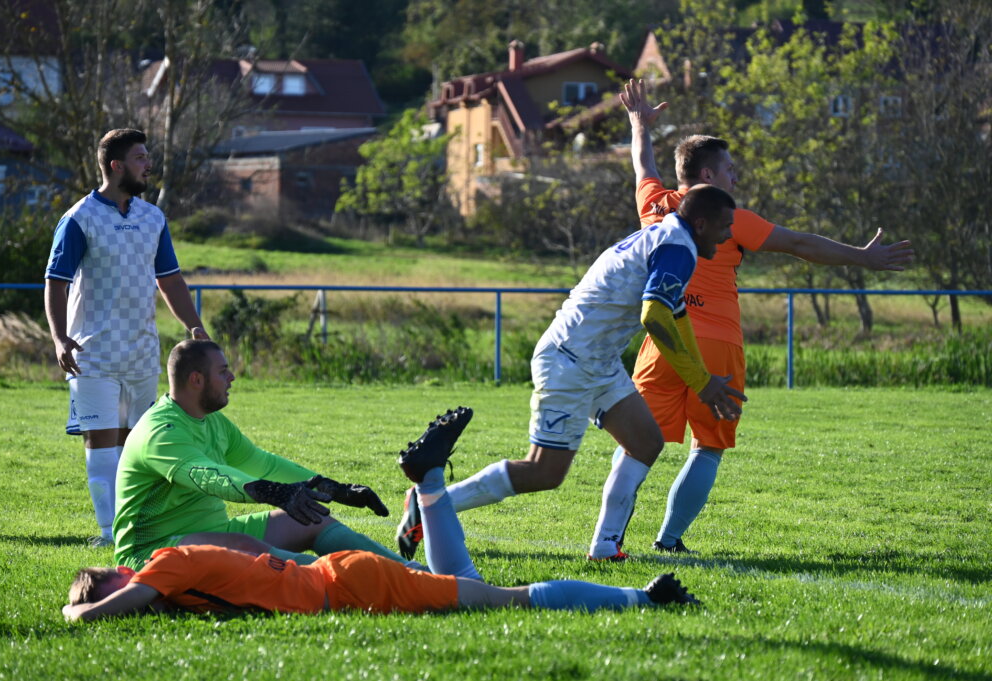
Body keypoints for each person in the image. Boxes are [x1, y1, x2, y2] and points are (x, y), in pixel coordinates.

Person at [620, 78, 915, 553]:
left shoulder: (654, 205)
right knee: (709, 447)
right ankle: (669, 541)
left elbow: (643, 164)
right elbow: (800, 244)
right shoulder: (730, 218)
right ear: (710, 177)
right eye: (730, 170)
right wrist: (863, 256)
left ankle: (608, 538)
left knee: (637, 445)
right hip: (717, 344)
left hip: (664, 342)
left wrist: (639, 124)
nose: (736, 179)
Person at [63, 409, 699, 622]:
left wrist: (78, 607)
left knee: (504, 599)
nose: (127, 583)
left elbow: (101, 610)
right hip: (344, 579)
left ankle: (640, 601)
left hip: (349, 582)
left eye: (116, 579)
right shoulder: (183, 586)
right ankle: (429, 483)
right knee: (472, 585)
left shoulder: (164, 569)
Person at [397, 185, 747, 562]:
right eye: (725, 226)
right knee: (544, 471)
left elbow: (675, 315)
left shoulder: (669, 236)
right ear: (701, 222)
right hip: (571, 360)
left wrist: (704, 380)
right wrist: (701, 381)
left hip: (596, 361)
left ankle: (605, 546)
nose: (729, 235)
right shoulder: (679, 247)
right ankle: (428, 502)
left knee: (646, 441)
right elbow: (655, 314)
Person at [44, 129, 209, 547]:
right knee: (102, 444)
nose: (148, 164)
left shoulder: (153, 218)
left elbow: (169, 280)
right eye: (140, 158)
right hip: (91, 353)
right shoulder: (79, 218)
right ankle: (108, 533)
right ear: (116, 166)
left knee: (138, 446)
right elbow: (56, 282)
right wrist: (61, 339)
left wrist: (195, 327)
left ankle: (141, 528)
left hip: (140, 354)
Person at [112, 338, 403, 572]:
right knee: (244, 547)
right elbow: (207, 476)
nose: (232, 377)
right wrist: (271, 492)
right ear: (197, 380)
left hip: (211, 532)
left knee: (314, 520)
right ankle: (370, 580)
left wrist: (332, 488)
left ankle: (415, 572)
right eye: (223, 371)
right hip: (147, 555)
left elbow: (262, 463)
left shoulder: (212, 420)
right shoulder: (160, 431)